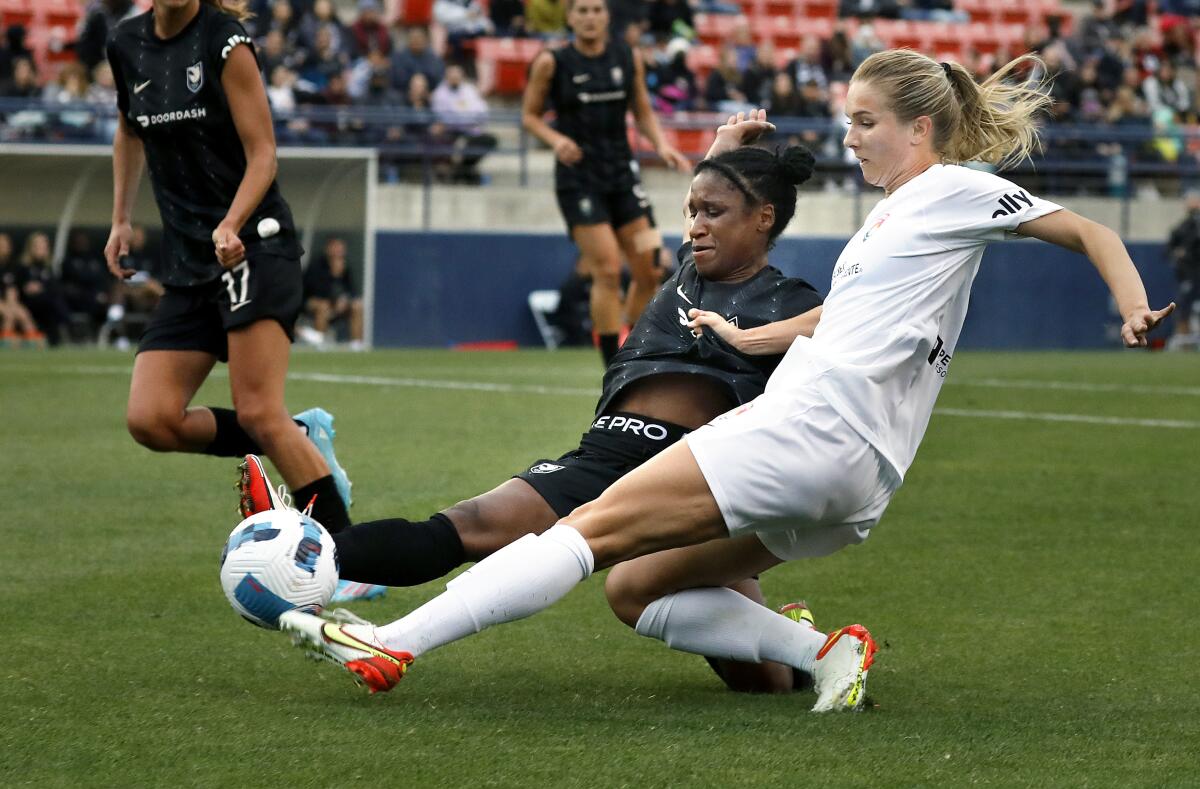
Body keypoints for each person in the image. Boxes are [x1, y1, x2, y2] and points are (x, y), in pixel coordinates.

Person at [278, 51, 1174, 711]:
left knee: (588, 530)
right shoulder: (899, 222)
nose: (849, 135)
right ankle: (826, 652)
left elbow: (1091, 230)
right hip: (861, 480)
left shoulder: (948, 190)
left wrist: (1134, 306)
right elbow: (843, 322)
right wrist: (759, 332)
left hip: (812, 430)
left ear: (920, 128)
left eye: (865, 120)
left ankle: (393, 640)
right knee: (638, 588)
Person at [244, 122, 825, 690]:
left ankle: (798, 649)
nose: (696, 225)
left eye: (713, 213)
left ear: (763, 218)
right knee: (472, 525)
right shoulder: (688, 272)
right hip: (608, 451)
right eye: (691, 211)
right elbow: (714, 198)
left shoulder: (791, 301)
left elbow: (833, 346)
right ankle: (305, 552)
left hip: (697, 476)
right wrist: (723, 149)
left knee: (761, 682)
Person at [104, 0, 355, 551]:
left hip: (253, 246)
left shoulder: (224, 42)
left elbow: (264, 153)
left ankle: (350, 559)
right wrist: (121, 217)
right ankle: (298, 437)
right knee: (152, 420)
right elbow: (128, 129)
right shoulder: (125, 44)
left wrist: (231, 222)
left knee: (259, 410)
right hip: (190, 263)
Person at [522, 0, 691, 366]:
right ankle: (611, 366)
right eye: (581, 10)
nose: (589, 17)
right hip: (580, 180)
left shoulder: (626, 56)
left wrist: (661, 145)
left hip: (622, 176)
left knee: (649, 265)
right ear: (569, 17)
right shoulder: (552, 62)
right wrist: (556, 140)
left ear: (607, 16)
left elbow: (643, 111)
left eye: (596, 10)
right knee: (609, 269)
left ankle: (631, 351)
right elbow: (530, 116)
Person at [302, 237, 364, 348]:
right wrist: (333, 276)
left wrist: (344, 300)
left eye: (340, 248)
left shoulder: (345, 267)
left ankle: (356, 345)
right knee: (323, 305)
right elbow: (314, 290)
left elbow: (351, 290)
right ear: (328, 249)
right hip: (314, 303)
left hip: (338, 304)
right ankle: (319, 342)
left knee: (357, 306)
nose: (338, 251)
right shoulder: (316, 265)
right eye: (335, 247)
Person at [1165, 191, 1200, 348]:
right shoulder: (1182, 228)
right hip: (1187, 275)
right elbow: (1168, 249)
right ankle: (1184, 341)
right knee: (1183, 307)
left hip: (1195, 273)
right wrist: (1177, 253)